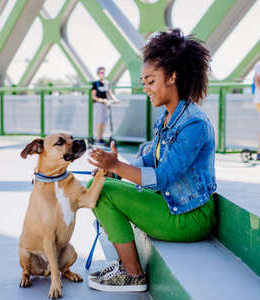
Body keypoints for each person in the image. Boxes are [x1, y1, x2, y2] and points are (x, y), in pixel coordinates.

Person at [86, 29, 217, 292]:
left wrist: (116, 166)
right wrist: (115, 170)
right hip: (172, 203)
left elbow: (163, 177)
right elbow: (150, 160)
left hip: (190, 216)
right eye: (143, 81)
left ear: (172, 77)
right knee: (102, 185)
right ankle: (126, 266)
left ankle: (132, 273)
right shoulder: (168, 117)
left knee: (103, 193)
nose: (144, 88)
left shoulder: (193, 124)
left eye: (150, 81)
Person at [91, 66, 120, 146]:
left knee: (104, 121)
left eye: (103, 72)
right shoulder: (95, 84)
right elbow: (93, 96)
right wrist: (101, 100)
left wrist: (115, 100)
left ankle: (101, 138)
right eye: (101, 72)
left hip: (106, 104)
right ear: (98, 74)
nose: (102, 74)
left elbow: (110, 93)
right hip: (99, 104)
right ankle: (98, 138)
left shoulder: (107, 83)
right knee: (99, 121)